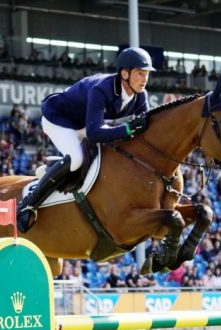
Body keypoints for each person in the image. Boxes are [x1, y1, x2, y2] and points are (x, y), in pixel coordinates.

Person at [17, 47, 155, 232]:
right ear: (124, 73)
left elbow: (146, 127)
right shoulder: (101, 89)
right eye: (140, 73)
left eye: (146, 73)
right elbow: (95, 134)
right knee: (76, 159)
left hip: (85, 123)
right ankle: (27, 204)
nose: (145, 78)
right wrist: (128, 128)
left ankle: (55, 169)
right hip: (59, 120)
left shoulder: (140, 95)